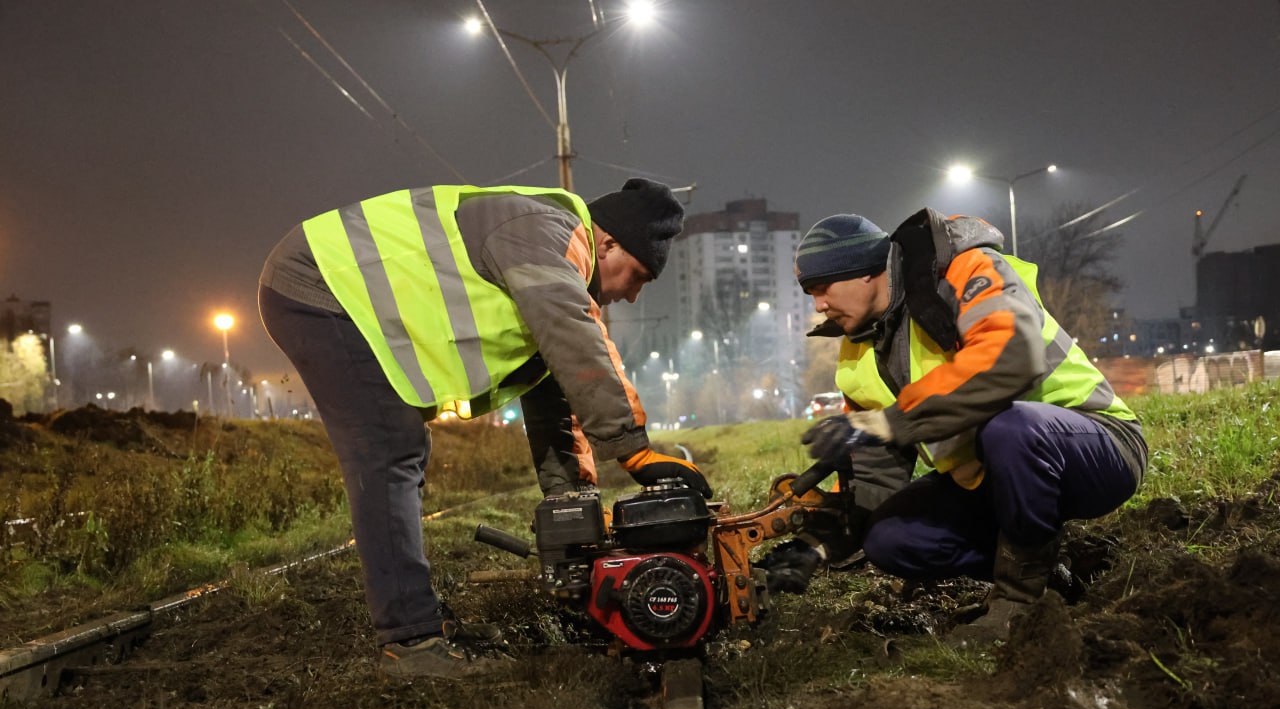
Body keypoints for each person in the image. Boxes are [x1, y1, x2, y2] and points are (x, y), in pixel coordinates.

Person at [258, 179, 711, 679]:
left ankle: (420, 622)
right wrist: (634, 452)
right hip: (320, 284)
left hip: (336, 287)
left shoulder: (553, 258)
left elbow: (557, 395)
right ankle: (411, 641)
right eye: (639, 275)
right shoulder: (544, 234)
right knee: (389, 449)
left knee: (398, 447)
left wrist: (575, 502)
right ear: (607, 244)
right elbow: (576, 344)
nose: (632, 295)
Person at [764, 208, 1146, 643]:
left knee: (1012, 428)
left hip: (1097, 443)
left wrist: (892, 421)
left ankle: (1019, 605)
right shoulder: (858, 352)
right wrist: (815, 546)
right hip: (994, 479)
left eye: (822, 288)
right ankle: (1048, 574)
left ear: (864, 271)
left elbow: (1011, 357)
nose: (818, 305)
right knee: (889, 540)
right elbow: (876, 477)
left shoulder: (964, 270)